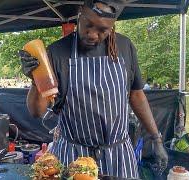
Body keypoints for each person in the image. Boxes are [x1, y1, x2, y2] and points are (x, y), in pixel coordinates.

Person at [19, 0, 168, 178]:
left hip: (118, 156)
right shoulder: (57, 52)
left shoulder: (124, 47)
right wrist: (36, 80)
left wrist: (156, 138)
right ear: (80, 13)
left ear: (112, 26)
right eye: (87, 25)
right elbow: (37, 111)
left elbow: (136, 95)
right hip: (73, 156)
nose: (92, 34)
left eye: (102, 30)